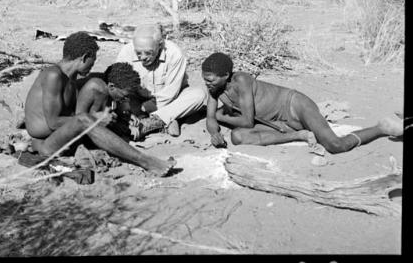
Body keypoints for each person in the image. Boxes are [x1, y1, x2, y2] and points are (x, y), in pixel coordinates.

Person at [24, 31, 175, 176]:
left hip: (60, 137)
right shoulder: (53, 75)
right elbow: (53, 122)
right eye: (93, 61)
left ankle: (132, 147)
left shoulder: (70, 77)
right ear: (84, 57)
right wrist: (95, 119)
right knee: (84, 119)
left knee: (96, 101)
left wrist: (124, 106)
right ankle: (146, 162)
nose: (92, 66)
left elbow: (111, 81)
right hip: (46, 144)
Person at [202, 52, 403, 153]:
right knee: (237, 137)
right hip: (278, 123)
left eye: (210, 79)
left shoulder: (241, 80)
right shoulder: (214, 89)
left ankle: (382, 127)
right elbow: (210, 118)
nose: (207, 83)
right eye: (205, 78)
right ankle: (299, 135)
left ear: (226, 75)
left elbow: (246, 121)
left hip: (293, 105)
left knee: (335, 145)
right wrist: (215, 132)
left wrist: (220, 115)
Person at [116, 23, 208, 140]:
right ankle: (170, 118)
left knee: (198, 95)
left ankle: (150, 123)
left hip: (168, 100)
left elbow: (171, 93)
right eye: (138, 52)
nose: (142, 57)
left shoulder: (174, 54)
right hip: (137, 100)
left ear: (160, 45)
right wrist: (127, 109)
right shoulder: (126, 52)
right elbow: (118, 85)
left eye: (148, 52)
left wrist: (145, 108)